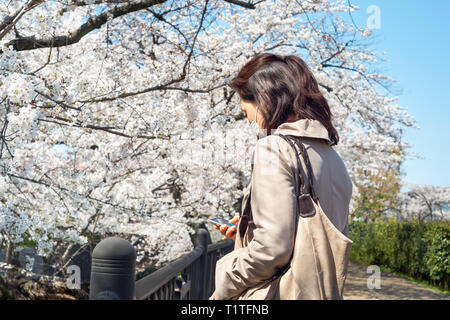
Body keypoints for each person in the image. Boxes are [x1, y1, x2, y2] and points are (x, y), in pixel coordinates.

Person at [210, 53, 353, 300]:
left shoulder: (274, 148)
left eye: (248, 114)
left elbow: (272, 250)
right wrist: (248, 231)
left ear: (265, 99)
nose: (253, 123)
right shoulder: (331, 156)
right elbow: (308, 234)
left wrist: (224, 283)